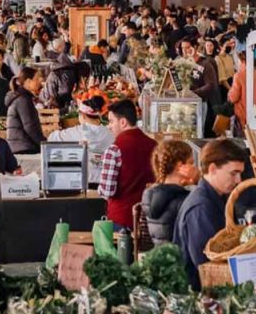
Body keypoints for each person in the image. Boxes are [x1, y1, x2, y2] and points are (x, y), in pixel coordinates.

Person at [173, 139, 248, 290]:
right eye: (234, 173)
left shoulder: (218, 198)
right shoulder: (201, 209)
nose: (238, 180)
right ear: (213, 168)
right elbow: (207, 265)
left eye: (240, 174)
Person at [98, 99, 157, 230]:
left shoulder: (114, 150)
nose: (109, 126)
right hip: (150, 220)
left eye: (111, 121)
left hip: (121, 221)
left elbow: (107, 191)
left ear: (123, 122)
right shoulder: (155, 146)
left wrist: (98, 189)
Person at [141, 141, 199, 246]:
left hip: (163, 258)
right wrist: (199, 180)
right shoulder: (185, 199)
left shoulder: (149, 195)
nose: (194, 168)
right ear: (179, 166)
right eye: (191, 163)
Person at [48, 96, 114, 185]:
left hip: (83, 181)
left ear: (82, 115)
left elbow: (52, 138)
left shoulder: (76, 131)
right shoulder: (110, 133)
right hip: (104, 182)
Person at [181, 38, 221, 137]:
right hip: (183, 104)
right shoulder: (182, 63)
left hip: (199, 104)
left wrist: (193, 93)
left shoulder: (205, 64)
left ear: (195, 47)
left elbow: (211, 85)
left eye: (188, 47)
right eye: (183, 48)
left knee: (197, 134)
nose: (185, 51)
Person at [5, 67, 45, 154]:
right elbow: (30, 127)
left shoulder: (22, 97)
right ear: (28, 81)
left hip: (21, 146)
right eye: (36, 79)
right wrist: (44, 144)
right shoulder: (23, 100)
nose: (40, 81)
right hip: (23, 147)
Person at [228, 52, 256, 130]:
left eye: (238, 61)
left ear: (243, 62)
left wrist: (229, 93)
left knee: (242, 139)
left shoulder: (238, 76)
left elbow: (233, 97)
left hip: (241, 114)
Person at [214, 38, 236, 103]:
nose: (230, 46)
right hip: (225, 87)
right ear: (221, 46)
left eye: (231, 44)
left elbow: (233, 72)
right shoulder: (218, 58)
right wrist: (231, 89)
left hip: (232, 84)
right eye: (227, 44)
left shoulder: (229, 57)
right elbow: (222, 78)